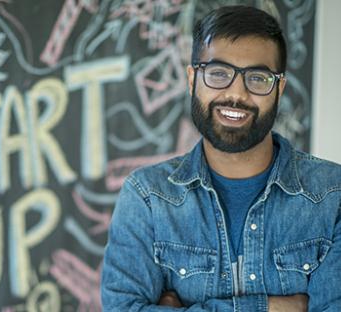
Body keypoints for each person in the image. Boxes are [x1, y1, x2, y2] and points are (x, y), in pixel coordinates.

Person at [101, 5, 341, 312]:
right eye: (218, 73)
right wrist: (269, 307)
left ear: (279, 88)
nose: (236, 94)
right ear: (192, 79)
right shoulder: (148, 196)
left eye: (258, 78)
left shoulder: (332, 195)